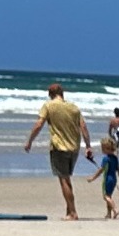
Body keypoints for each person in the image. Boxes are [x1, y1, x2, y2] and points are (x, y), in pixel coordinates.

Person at [24, 83, 88, 218]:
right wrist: (88, 146)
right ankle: (69, 210)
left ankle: (72, 212)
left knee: (63, 179)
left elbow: (39, 124)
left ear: (50, 95)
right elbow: (83, 128)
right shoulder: (74, 108)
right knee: (67, 178)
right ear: (62, 93)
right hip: (74, 148)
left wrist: (30, 141)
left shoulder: (48, 106)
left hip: (59, 147)